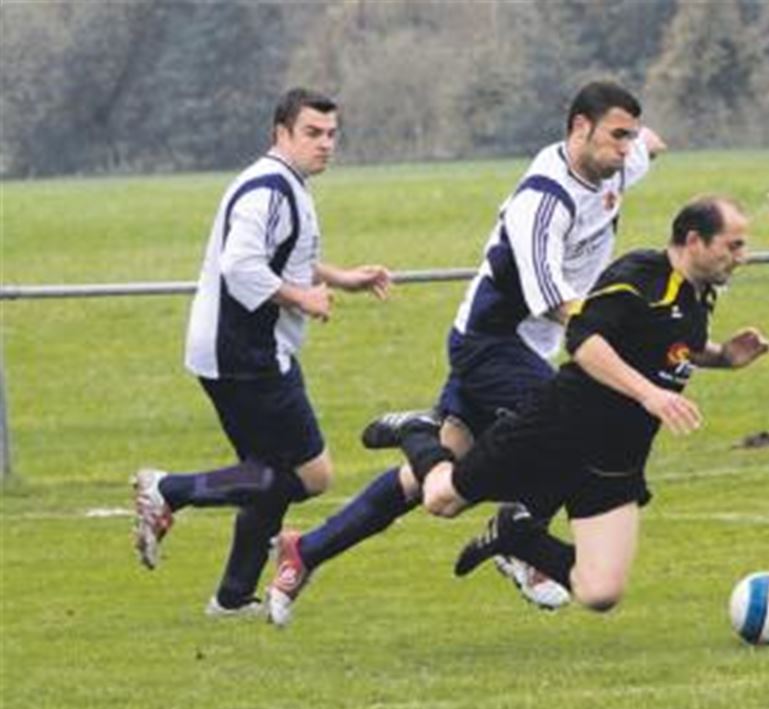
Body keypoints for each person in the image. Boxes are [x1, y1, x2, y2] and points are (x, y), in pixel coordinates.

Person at [266, 80, 666, 624]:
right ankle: (520, 538)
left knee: (433, 481)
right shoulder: (541, 203)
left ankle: (306, 549)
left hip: (518, 349)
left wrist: (646, 144)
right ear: (579, 128)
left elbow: (648, 146)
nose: (625, 149)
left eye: (630, 138)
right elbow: (550, 302)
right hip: (491, 342)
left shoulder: (613, 163)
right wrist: (625, 332)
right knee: (572, 427)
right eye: (617, 137)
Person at [268, 195, 769, 624]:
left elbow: (672, 345)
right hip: (558, 426)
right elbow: (584, 340)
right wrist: (648, 394)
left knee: (600, 592)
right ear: (693, 240)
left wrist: (723, 356)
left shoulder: (699, 294)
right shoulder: (640, 276)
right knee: (440, 498)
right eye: (734, 245)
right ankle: (419, 431)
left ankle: (515, 534)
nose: (742, 257)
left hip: (617, 458)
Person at [132, 88, 392, 617]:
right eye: (312, 134)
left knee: (265, 475)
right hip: (245, 355)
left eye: (331, 134)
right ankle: (170, 490)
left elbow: (286, 256)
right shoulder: (269, 189)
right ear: (281, 133)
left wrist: (341, 278)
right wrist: (303, 298)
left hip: (238, 352)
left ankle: (232, 598)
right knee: (311, 475)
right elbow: (241, 265)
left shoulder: (286, 185)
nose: (325, 145)